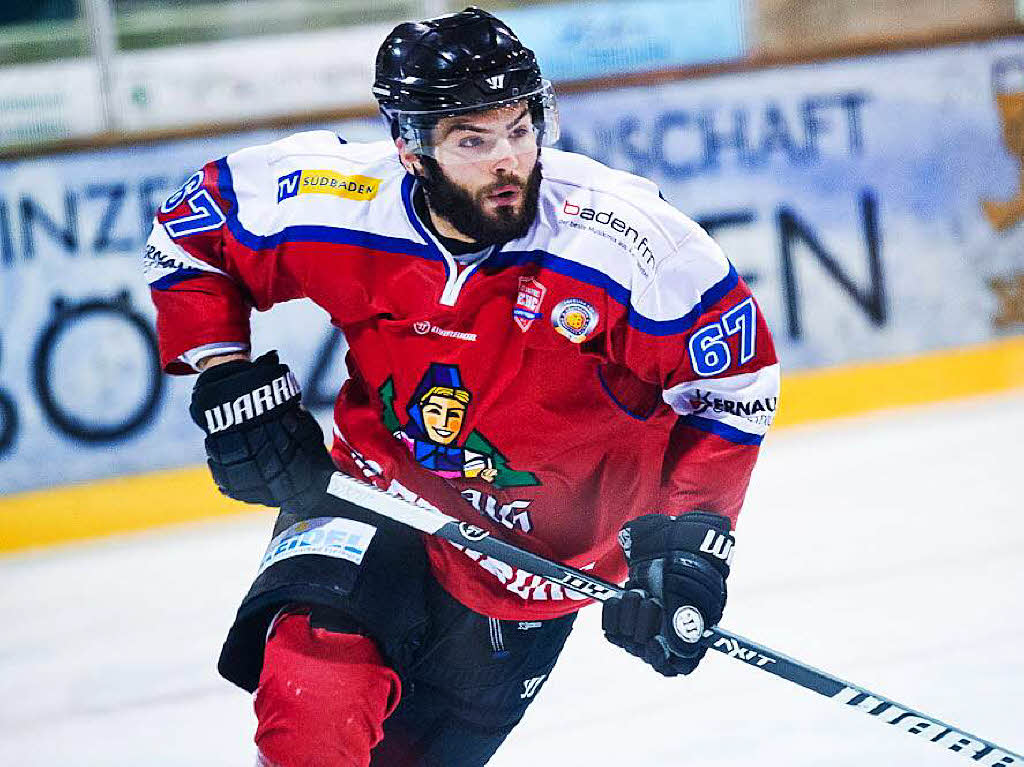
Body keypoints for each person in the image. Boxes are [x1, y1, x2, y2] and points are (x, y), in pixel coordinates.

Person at [144, 7, 779, 766]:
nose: (508, 159)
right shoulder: (333, 196)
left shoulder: (629, 242)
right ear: (409, 146)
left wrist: (693, 539)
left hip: (536, 565)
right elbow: (192, 228)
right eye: (472, 140)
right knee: (312, 700)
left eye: (519, 128)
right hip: (374, 492)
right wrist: (228, 383)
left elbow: (734, 378)